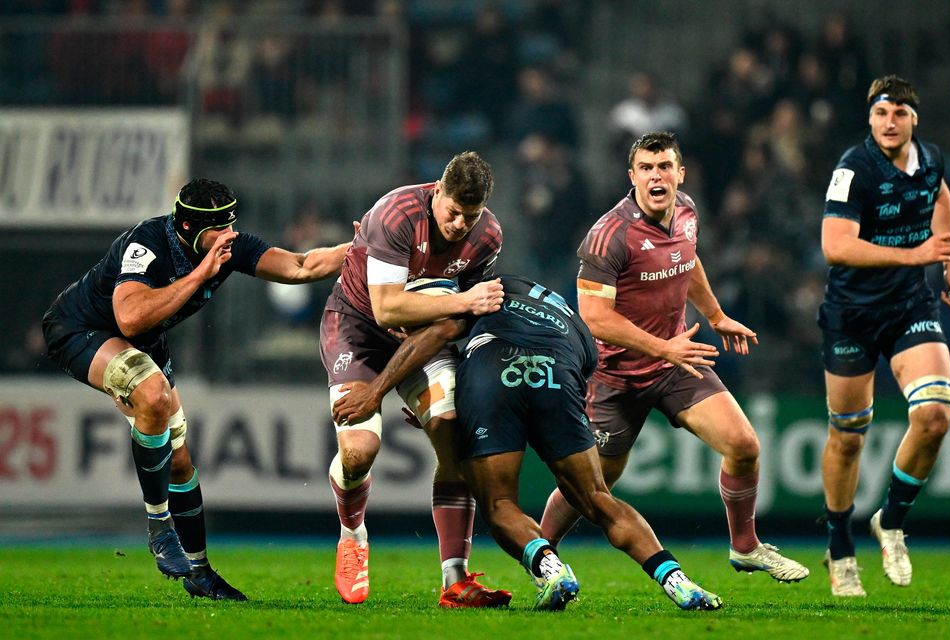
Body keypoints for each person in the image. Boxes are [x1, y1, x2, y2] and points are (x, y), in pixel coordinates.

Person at [41, 178, 353, 601]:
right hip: (82, 330)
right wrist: (202, 273)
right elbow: (129, 317)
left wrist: (358, 250)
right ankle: (158, 527)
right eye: (218, 228)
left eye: (231, 225)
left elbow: (300, 265)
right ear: (188, 228)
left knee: (180, 461)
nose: (229, 237)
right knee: (153, 394)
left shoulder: (227, 245)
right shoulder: (147, 244)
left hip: (144, 343)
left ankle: (200, 573)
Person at [334, 275, 723, 611]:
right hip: (561, 371)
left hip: (493, 370)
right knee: (597, 497)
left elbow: (438, 333)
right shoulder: (570, 319)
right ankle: (677, 582)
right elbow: (581, 375)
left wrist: (391, 394)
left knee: (499, 503)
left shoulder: (482, 292)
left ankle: (551, 569)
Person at [537, 131, 809, 584]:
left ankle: (745, 547)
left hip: (676, 363)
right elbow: (596, 318)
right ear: (632, 177)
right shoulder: (608, 236)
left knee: (744, 446)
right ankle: (540, 555)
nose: (656, 175)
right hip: (616, 377)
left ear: (680, 174)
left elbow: (688, 259)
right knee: (588, 485)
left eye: (664, 166)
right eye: (646, 168)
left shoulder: (686, 210)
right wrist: (665, 346)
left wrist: (716, 315)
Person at [318, 151, 511, 607]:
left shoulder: (488, 236)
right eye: (453, 211)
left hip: (425, 341)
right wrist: (462, 304)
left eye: (472, 214)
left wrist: (458, 322)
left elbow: (458, 323)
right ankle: (353, 535)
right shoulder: (396, 215)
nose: (461, 223)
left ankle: (456, 579)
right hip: (358, 330)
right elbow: (388, 310)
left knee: (453, 436)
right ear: (436, 191)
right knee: (358, 452)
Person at [818, 75, 950, 597]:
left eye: (899, 112)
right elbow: (835, 245)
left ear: (913, 119)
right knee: (848, 436)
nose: (890, 122)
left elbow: (939, 196)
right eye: (881, 113)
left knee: (936, 415)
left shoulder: (931, 159)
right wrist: (918, 255)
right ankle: (839, 545)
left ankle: (892, 521)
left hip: (908, 307)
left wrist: (949, 260)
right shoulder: (853, 168)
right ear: (870, 120)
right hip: (851, 313)